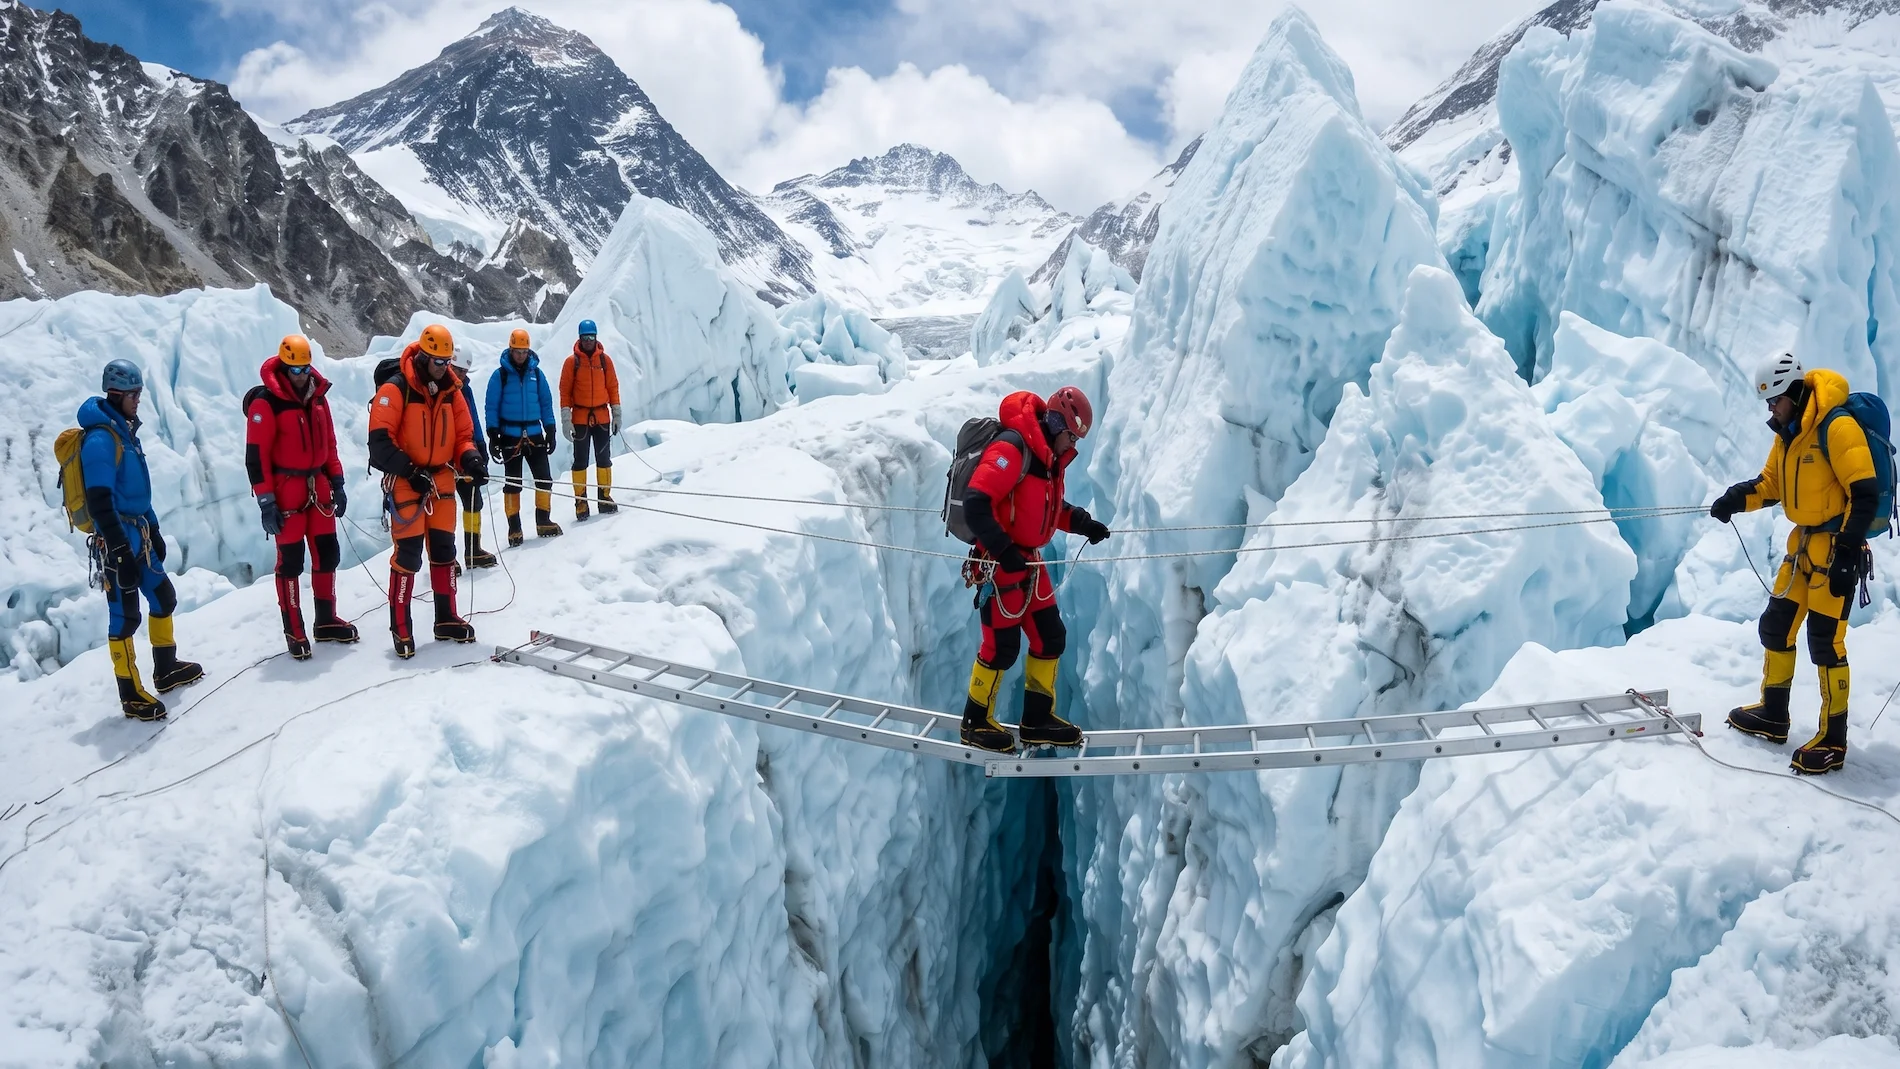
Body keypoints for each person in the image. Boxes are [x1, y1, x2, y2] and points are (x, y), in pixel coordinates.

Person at [1710, 352, 1881, 775]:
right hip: (1802, 548)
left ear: (1792, 392)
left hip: (1836, 550)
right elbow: (1772, 485)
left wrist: (1847, 553)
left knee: (1825, 644)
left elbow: (1865, 493)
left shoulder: (1837, 427)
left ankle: (1833, 739)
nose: (1770, 409)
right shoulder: (1788, 433)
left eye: (1774, 401)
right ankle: (1774, 712)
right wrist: (1737, 497)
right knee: (1775, 627)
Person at [958, 386, 1111, 753]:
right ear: (1057, 421)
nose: (1071, 444)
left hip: (1029, 563)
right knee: (1001, 648)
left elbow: (1047, 510)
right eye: (1071, 435)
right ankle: (975, 722)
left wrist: (1084, 523)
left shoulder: (1047, 460)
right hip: (998, 564)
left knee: (1050, 636)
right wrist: (1003, 549)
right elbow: (977, 503)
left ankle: (1036, 720)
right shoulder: (1013, 448)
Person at [79, 359, 204, 719]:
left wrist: (154, 528)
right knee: (125, 616)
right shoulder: (101, 439)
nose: (138, 400)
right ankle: (130, 692)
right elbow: (101, 501)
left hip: (139, 533)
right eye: (134, 394)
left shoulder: (124, 434)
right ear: (116, 394)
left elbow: (136, 494)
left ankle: (165, 670)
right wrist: (119, 549)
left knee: (164, 596)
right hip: (117, 537)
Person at [368, 323, 488, 658]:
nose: (444, 367)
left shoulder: (452, 391)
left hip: (442, 481)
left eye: (447, 362)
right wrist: (410, 470)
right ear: (422, 356)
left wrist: (472, 460)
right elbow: (379, 444)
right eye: (438, 361)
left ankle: (446, 618)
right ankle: (401, 626)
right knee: (407, 556)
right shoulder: (396, 389)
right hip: (408, 481)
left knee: (445, 551)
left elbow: (463, 436)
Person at [246, 334, 358, 659]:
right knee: (291, 562)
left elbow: (330, 446)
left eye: (305, 368)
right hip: (286, 492)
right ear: (283, 367)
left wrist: (337, 482)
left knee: (327, 554)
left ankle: (325, 620)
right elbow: (256, 457)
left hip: (318, 487)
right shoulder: (266, 404)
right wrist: (266, 502)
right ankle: (294, 628)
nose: (301, 375)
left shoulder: (319, 399)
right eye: (295, 369)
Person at [486, 328, 563, 544]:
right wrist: (493, 434)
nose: (520, 355)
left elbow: (546, 403)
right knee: (513, 484)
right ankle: (514, 529)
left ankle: (543, 521)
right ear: (511, 349)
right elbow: (491, 406)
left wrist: (551, 429)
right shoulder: (500, 375)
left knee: (544, 479)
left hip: (535, 433)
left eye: (524, 351)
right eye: (517, 351)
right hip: (509, 436)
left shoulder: (536, 374)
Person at [559, 319, 620, 521]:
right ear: (580, 338)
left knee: (604, 459)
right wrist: (566, 420)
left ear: (596, 337)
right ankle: (581, 501)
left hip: (602, 415)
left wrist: (616, 413)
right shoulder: (571, 363)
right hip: (580, 418)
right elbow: (565, 392)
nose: (588, 341)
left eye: (591, 337)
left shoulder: (605, 361)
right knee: (580, 461)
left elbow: (613, 387)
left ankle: (604, 497)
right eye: (585, 337)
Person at [450, 346, 497, 570]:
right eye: (457, 369)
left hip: (466, 452)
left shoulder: (465, 389)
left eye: (463, 371)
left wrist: (480, 446)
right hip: (446, 457)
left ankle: (473, 550)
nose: (460, 374)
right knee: (445, 508)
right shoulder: (441, 389)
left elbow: (473, 419)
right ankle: (445, 557)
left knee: (473, 502)